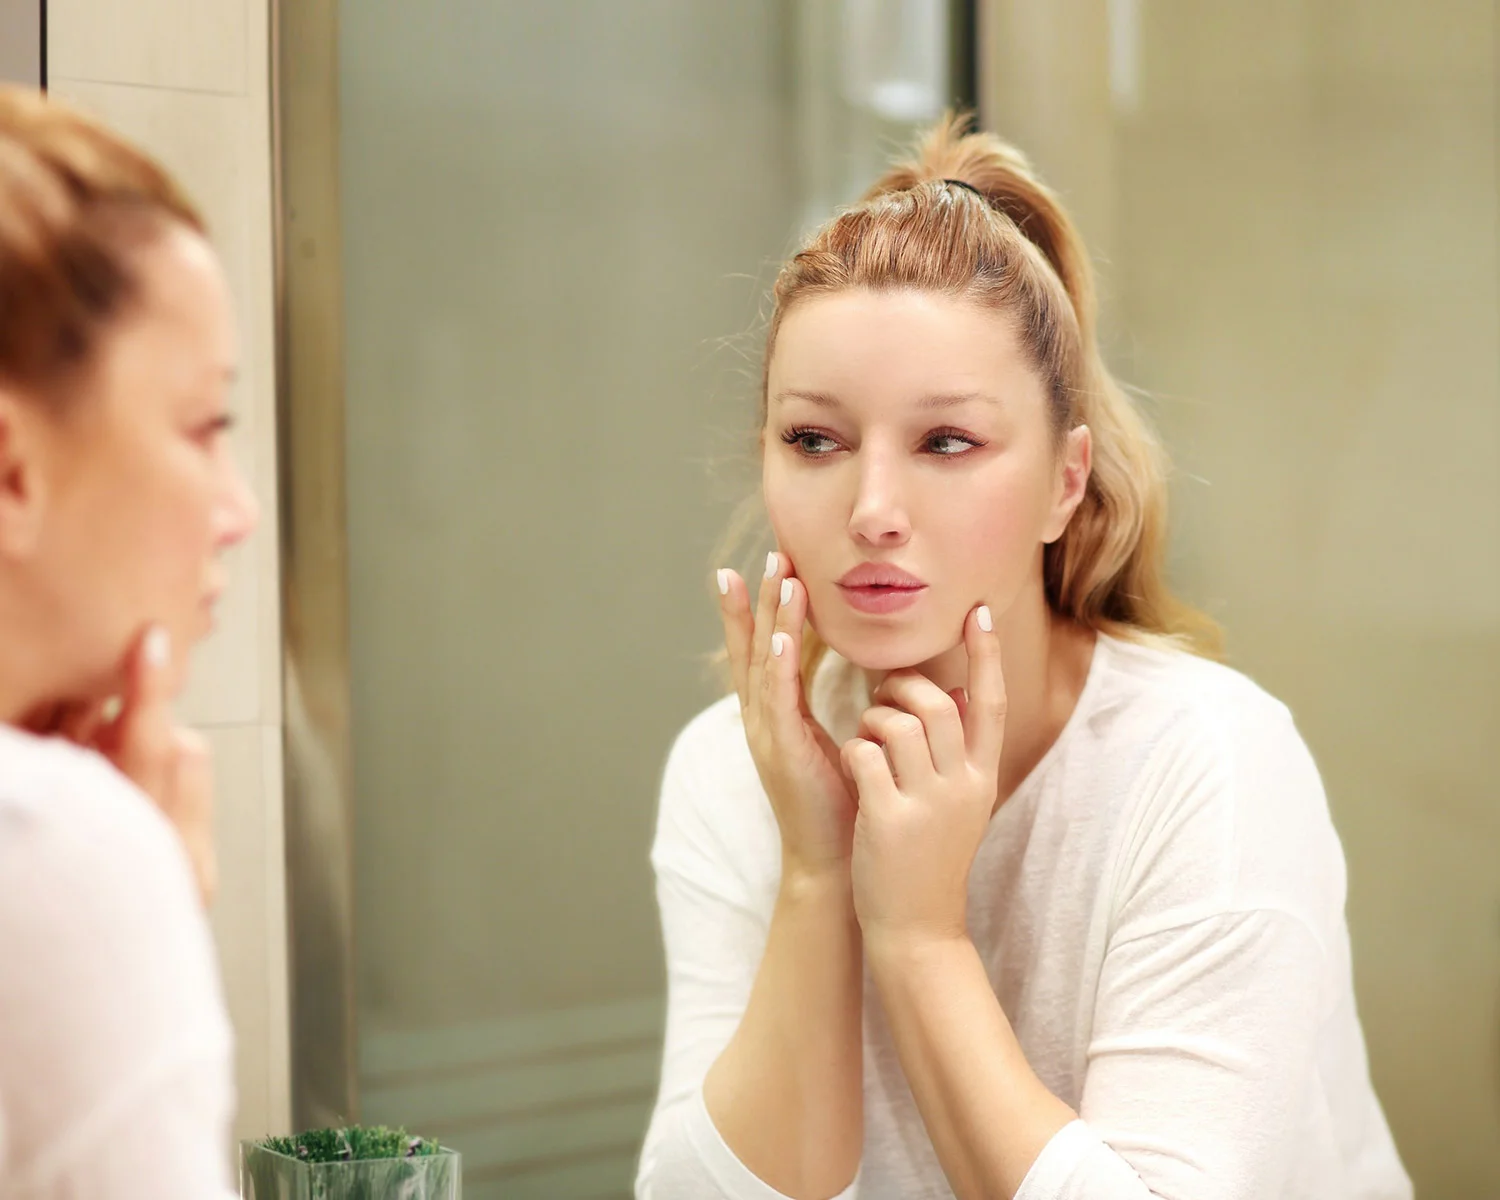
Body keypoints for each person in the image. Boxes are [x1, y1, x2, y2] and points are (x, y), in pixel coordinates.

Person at [636, 115, 1411, 1200]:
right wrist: (818, 877)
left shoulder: (1210, 762)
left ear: (1064, 481)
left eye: (947, 442)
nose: (871, 511)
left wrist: (916, 936)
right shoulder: (737, 768)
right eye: (815, 439)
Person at [0, 86, 256, 1197]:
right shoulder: (63, 855)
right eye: (206, 425)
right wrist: (138, 909)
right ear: (10, 469)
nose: (237, 510)